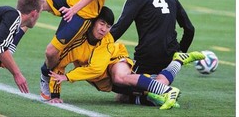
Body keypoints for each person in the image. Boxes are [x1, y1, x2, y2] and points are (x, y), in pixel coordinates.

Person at [48, 6, 202, 110]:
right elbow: (59, 66)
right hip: (107, 81)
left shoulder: (106, 40)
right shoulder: (76, 43)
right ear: (93, 22)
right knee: (137, 95)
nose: (104, 29)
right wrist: (55, 94)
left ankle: (168, 90)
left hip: (115, 61)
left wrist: (68, 77)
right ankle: (178, 61)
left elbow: (96, 69)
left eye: (108, 26)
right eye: (102, 23)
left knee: (120, 77)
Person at [110, 0, 204, 104]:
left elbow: (119, 28)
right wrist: (180, 50)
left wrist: (99, 46)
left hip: (147, 56)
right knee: (152, 82)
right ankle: (177, 62)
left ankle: (147, 96)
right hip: (169, 55)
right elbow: (189, 29)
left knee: (117, 85)